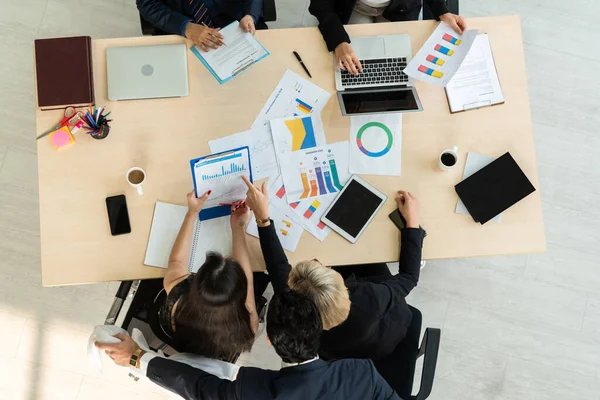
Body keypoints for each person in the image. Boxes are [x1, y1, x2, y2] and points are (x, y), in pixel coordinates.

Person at [242, 176, 425, 394]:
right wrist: (412, 224)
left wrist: (263, 219)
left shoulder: (295, 316)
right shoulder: (369, 298)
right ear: (344, 288)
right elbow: (409, 277)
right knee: (362, 251)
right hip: (383, 336)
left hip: (339, 349)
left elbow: (277, 267)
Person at [97, 290, 401, 400]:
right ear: (318, 330)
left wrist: (138, 359)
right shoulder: (362, 372)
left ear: (268, 340)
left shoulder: (254, 388)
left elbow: (198, 387)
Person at [150, 190, 267, 362]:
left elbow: (176, 261)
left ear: (196, 280)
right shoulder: (249, 322)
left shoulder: (178, 294)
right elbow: (247, 279)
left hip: (178, 337)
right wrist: (238, 228)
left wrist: (192, 213)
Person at [308, 0, 467, 75]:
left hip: (399, 8)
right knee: (358, 63)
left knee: (398, 65)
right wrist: (338, 40)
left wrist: (442, 10)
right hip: (356, 7)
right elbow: (320, 6)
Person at [137, 0, 266, 51]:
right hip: (182, 28)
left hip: (234, 24)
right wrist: (185, 27)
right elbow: (147, 4)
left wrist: (250, 15)